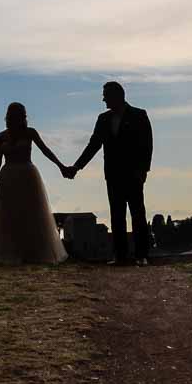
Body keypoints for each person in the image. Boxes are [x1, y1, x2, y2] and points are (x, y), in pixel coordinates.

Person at [64, 82, 153, 265]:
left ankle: (141, 255)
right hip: (113, 175)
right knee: (117, 215)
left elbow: (147, 145)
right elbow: (93, 145)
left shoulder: (139, 115)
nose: (103, 99)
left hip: (133, 174)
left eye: (106, 95)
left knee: (137, 213)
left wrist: (143, 170)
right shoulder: (103, 119)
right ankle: (120, 256)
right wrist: (77, 167)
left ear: (116, 95)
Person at [0, 102, 70, 265]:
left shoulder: (30, 133)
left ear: (21, 117)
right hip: (7, 177)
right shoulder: (0, 136)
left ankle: (31, 253)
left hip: (27, 176)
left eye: (15, 115)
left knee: (30, 214)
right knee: (9, 216)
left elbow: (45, 150)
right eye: (10, 115)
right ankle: (9, 252)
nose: (11, 118)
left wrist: (61, 166)